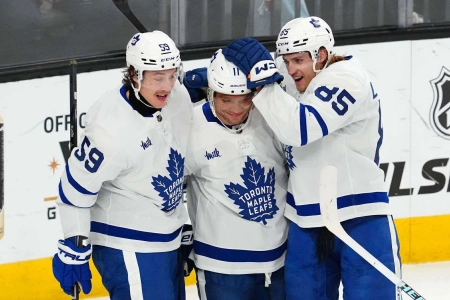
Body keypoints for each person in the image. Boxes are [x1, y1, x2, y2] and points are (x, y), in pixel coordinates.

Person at [222, 17, 402, 300]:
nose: (290, 69)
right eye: (286, 60)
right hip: (306, 221)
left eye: (297, 60)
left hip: (359, 217)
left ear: (320, 55)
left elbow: (301, 128)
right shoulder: (300, 73)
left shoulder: (347, 78)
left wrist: (264, 80)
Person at [52, 30, 193, 300]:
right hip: (127, 244)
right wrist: (75, 245)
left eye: (172, 74)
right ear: (134, 74)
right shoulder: (109, 131)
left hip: (168, 236)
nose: (167, 86)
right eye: (158, 77)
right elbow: (74, 191)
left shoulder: (178, 97)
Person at [183, 50, 289, 300]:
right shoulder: (189, 127)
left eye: (244, 99)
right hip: (221, 268)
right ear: (211, 93)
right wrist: (180, 229)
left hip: (280, 263)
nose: (236, 109)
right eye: (227, 100)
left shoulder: (271, 116)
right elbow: (164, 183)